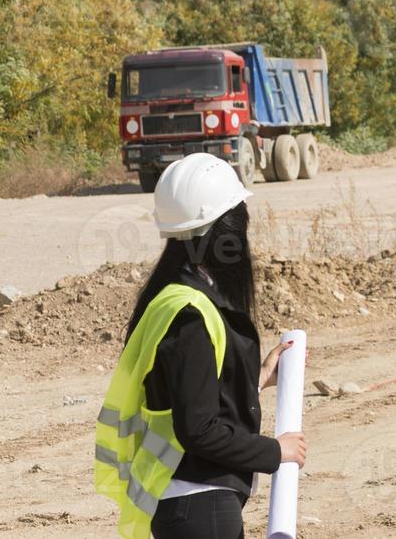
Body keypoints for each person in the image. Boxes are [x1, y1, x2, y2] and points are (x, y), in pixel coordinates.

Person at [95, 153, 309, 539]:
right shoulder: (190, 313)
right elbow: (197, 429)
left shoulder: (170, 298)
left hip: (187, 507)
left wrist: (255, 379)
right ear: (227, 226)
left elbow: (181, 396)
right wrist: (274, 453)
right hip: (200, 508)